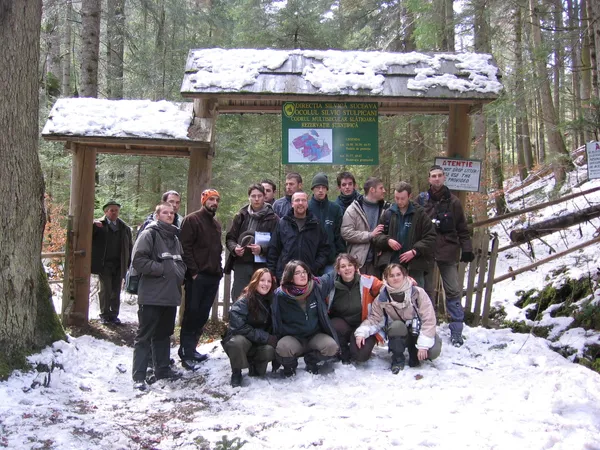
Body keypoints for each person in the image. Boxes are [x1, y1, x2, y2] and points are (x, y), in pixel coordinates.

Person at [130, 202, 186, 390]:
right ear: (157, 215)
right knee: (144, 335)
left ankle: (162, 369)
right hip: (152, 296)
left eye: (172, 213)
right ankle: (139, 375)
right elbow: (138, 260)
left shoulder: (175, 238)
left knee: (164, 334)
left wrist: (178, 273)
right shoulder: (149, 234)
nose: (169, 215)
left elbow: (181, 261)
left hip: (170, 296)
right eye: (165, 212)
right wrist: (161, 269)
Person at [419, 165, 474, 347]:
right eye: (433, 176)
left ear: (444, 178)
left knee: (452, 290)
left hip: (448, 251)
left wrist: (467, 248)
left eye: (439, 176)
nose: (436, 179)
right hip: (426, 252)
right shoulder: (422, 200)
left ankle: (457, 331)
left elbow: (462, 229)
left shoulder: (454, 202)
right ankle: (427, 329)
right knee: (425, 293)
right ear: (429, 179)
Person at [355, 263, 441, 373]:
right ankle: (397, 358)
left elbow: (429, 319)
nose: (395, 278)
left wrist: (424, 345)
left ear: (404, 275)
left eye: (398, 274)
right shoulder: (382, 297)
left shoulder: (418, 293)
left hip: (418, 331)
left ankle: (415, 352)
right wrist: (362, 332)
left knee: (433, 351)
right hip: (398, 333)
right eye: (391, 276)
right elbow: (375, 319)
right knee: (396, 326)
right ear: (386, 278)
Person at [179, 189, 223, 368]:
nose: (214, 203)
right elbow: (185, 248)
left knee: (202, 315)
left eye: (216, 200)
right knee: (192, 313)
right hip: (197, 277)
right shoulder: (191, 220)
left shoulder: (216, 224)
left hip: (213, 276)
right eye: (211, 199)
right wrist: (194, 272)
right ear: (203, 200)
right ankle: (185, 352)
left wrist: (219, 269)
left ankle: (193, 348)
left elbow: (217, 249)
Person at [271, 260, 339, 376]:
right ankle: (290, 366)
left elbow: (329, 277)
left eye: (304, 272)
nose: (303, 275)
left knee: (331, 347)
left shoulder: (316, 287)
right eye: (297, 273)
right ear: (290, 277)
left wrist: (341, 267)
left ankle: (311, 360)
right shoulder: (280, 295)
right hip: (294, 337)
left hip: (314, 336)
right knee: (282, 348)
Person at [222, 268, 278, 387]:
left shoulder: (273, 301)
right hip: (244, 341)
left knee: (270, 350)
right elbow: (238, 327)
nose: (266, 284)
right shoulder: (243, 301)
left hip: (259, 343)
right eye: (262, 280)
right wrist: (265, 337)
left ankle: (255, 365)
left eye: (269, 281)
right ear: (255, 281)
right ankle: (236, 371)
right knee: (236, 342)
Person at [373, 181, 436, 287]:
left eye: (402, 198)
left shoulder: (420, 215)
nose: (399, 201)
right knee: (391, 296)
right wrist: (387, 240)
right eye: (397, 198)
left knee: (415, 296)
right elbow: (377, 237)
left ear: (409, 196)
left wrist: (415, 251)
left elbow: (431, 237)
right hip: (392, 264)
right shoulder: (388, 213)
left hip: (414, 265)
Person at [326, 253, 384, 364]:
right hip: (343, 325)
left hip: (365, 324)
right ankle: (342, 351)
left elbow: (387, 287)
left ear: (355, 267)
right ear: (338, 271)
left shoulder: (368, 281)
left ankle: (356, 347)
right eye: (343, 266)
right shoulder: (331, 285)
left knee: (360, 356)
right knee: (333, 324)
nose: (347, 268)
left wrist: (406, 280)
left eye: (350, 265)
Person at [225, 184, 279, 301]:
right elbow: (230, 238)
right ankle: (238, 319)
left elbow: (277, 243)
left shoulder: (273, 218)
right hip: (242, 263)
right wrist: (235, 248)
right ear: (249, 197)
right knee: (239, 297)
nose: (256, 199)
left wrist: (262, 249)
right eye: (253, 196)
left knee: (260, 298)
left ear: (264, 197)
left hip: (261, 265)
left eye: (259, 196)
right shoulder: (241, 215)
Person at [267, 191, 330, 282]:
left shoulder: (316, 224)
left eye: (303, 200)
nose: (300, 203)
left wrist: (315, 266)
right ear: (292, 204)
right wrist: (272, 272)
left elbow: (324, 249)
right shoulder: (283, 223)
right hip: (285, 275)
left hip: (308, 275)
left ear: (307, 204)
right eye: (297, 200)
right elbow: (273, 249)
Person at [91, 201, 133, 324]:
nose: (114, 213)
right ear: (106, 212)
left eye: (116, 210)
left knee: (116, 290)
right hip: (104, 264)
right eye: (112, 210)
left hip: (119, 264)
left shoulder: (124, 228)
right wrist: (92, 224)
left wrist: (129, 263)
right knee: (105, 289)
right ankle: (104, 314)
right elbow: (88, 235)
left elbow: (129, 246)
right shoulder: (99, 225)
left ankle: (114, 315)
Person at [341, 177, 390, 277]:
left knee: (377, 291)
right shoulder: (353, 209)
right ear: (372, 190)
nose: (384, 191)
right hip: (358, 261)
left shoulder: (386, 209)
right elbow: (346, 233)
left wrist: (383, 244)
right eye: (381, 188)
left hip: (379, 262)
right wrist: (370, 235)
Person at [308, 172, 345, 274]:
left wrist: (340, 256)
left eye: (323, 187)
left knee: (331, 288)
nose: (320, 190)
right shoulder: (306, 208)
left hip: (330, 261)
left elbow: (339, 236)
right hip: (311, 260)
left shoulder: (335, 209)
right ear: (313, 189)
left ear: (327, 189)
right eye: (317, 187)